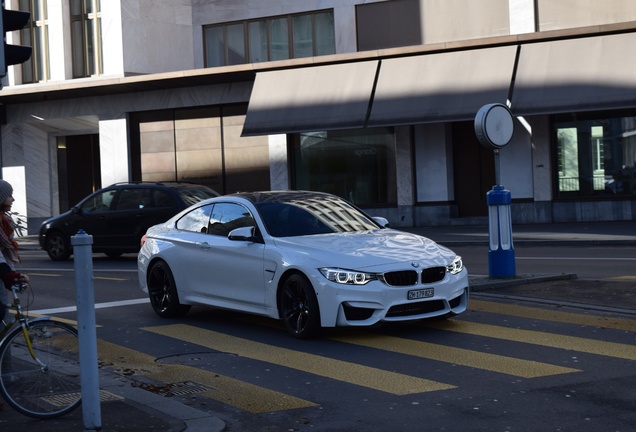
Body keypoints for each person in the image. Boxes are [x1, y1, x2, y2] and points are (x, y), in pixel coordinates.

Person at [0, 179, 29, 328]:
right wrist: (9, 275)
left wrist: (12, 275)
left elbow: (4, 255)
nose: (13, 199)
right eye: (9, 195)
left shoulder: (4, 222)